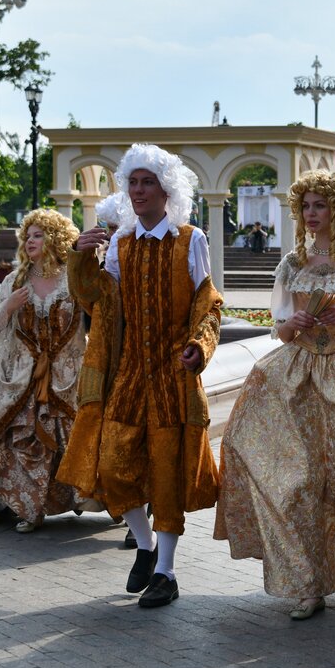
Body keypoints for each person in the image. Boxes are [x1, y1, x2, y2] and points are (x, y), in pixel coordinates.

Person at [215, 170, 335, 620]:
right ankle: (307, 582)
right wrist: (290, 326)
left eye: (319, 206)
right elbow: (280, 330)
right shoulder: (292, 262)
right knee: (297, 482)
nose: (311, 214)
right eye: (306, 206)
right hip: (297, 378)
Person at [55, 143, 223, 608]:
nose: (139, 190)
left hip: (173, 375)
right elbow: (98, 304)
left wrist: (199, 347)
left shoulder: (191, 240)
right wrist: (79, 256)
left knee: (168, 474)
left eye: (148, 182)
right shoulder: (120, 246)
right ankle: (144, 546)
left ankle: (166, 572)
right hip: (128, 374)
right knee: (113, 464)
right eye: (133, 182)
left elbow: (207, 303)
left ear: (167, 190)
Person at [0, 209, 86, 533]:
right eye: (28, 235)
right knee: (21, 438)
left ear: (55, 239)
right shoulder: (15, 280)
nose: (30, 241)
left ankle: (83, 496)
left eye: (38, 235)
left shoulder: (74, 278)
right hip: (20, 374)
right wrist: (8, 307)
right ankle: (28, 507)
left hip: (67, 374)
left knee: (73, 438)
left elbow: (96, 317)